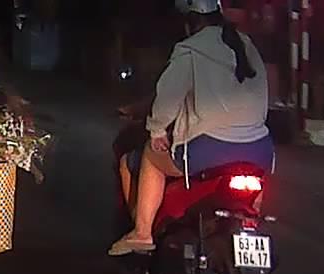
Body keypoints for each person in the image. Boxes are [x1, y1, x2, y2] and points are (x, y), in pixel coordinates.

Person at [110, 0, 274, 256]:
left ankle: (142, 233)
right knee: (254, 183)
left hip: (209, 151)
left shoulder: (190, 49)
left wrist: (157, 130)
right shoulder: (245, 45)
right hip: (260, 150)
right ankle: (250, 224)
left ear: (192, 21)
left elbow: (168, 99)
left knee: (150, 155)